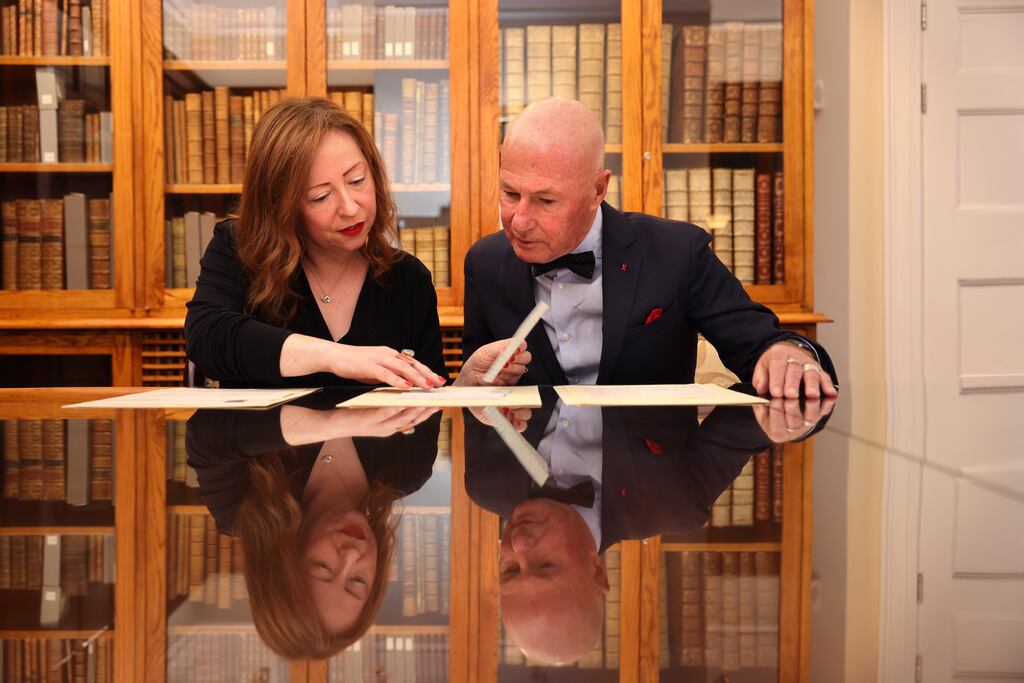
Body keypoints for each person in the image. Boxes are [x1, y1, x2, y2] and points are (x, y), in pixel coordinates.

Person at [462, 97, 838, 399]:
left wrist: (788, 357)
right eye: (510, 193)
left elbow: (761, 344)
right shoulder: (485, 263)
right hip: (530, 486)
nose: (519, 220)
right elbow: (474, 417)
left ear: (598, 190)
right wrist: (468, 381)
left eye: (546, 201)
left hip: (648, 483)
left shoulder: (678, 252)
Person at [465, 390, 834, 664]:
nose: (520, 542)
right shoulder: (676, 500)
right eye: (546, 565)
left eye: (510, 569)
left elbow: (476, 369)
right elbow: (758, 410)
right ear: (596, 569)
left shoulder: (484, 482)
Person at [185, 97, 526, 389]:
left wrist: (465, 387)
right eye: (320, 197)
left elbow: (424, 415)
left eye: (357, 180)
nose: (350, 208)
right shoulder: (239, 248)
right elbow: (207, 337)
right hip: (261, 465)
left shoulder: (408, 280)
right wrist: (336, 357)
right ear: (281, 206)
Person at [186, 392, 442, 659]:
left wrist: (336, 422)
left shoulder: (241, 507)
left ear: (285, 555)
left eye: (323, 566)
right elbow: (424, 365)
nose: (352, 555)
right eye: (357, 581)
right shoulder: (408, 466)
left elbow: (205, 431)